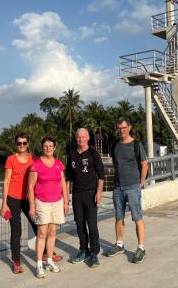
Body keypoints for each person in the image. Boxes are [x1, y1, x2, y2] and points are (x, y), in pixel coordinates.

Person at [0, 133, 62, 274]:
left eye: (24, 143)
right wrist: (4, 203)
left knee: (39, 225)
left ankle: (47, 254)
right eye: (19, 143)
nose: (22, 145)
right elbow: (6, 181)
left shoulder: (33, 159)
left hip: (29, 198)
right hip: (13, 198)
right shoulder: (11, 159)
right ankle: (16, 261)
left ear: (28, 144)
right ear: (16, 144)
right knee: (16, 231)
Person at [106, 117, 148, 263]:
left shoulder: (136, 145)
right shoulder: (115, 144)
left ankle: (141, 248)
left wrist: (140, 183)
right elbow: (114, 162)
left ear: (129, 127)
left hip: (132, 187)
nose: (121, 130)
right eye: (119, 128)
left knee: (137, 218)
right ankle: (119, 244)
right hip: (118, 187)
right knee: (119, 217)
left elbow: (144, 165)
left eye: (124, 128)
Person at [28, 137, 69, 279]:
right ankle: (39, 264)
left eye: (51, 146)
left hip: (57, 202)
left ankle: (50, 261)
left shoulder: (58, 164)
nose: (48, 148)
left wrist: (66, 202)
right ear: (42, 147)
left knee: (52, 233)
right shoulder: (36, 165)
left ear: (54, 148)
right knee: (42, 234)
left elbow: (63, 183)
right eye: (45, 146)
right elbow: (30, 187)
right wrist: (32, 205)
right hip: (42, 203)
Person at [65, 128, 105, 268]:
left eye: (83, 137)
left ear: (88, 138)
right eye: (78, 137)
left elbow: (101, 175)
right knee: (79, 224)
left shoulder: (94, 154)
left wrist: (99, 192)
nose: (80, 139)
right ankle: (84, 250)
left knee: (92, 225)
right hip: (77, 195)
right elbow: (67, 178)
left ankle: (94, 252)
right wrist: (66, 199)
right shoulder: (71, 155)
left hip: (90, 193)